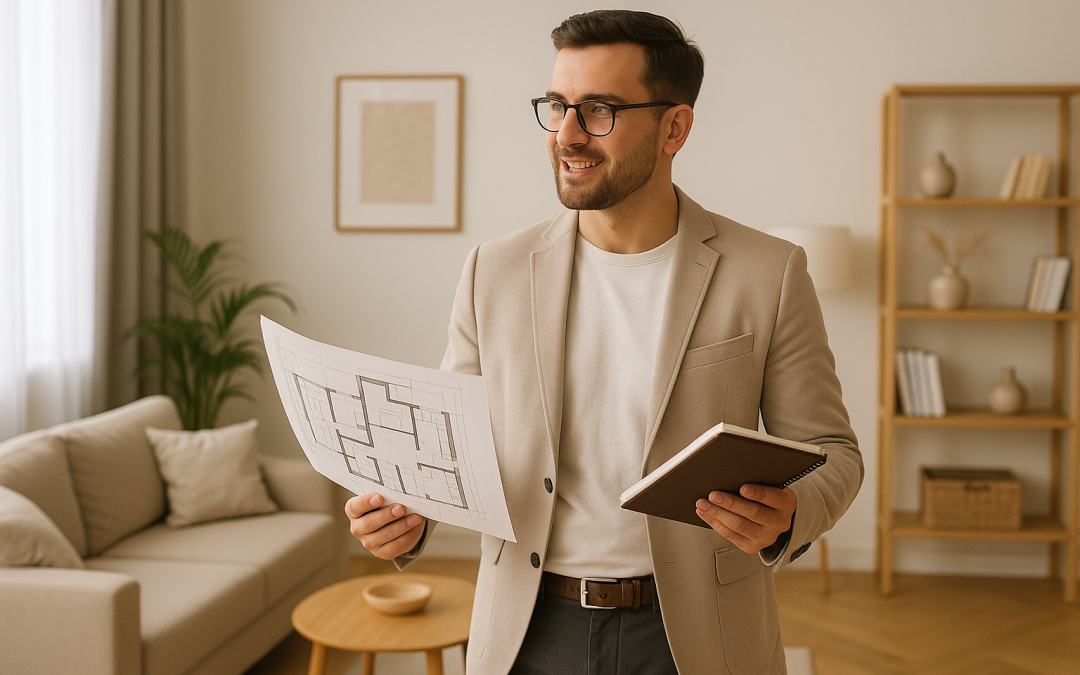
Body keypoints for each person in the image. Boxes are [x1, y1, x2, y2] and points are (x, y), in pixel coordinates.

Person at [346, 9, 862, 674]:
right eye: (557, 106)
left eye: (598, 110)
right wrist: (407, 516)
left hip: (700, 634)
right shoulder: (492, 271)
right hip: (527, 630)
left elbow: (833, 452)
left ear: (674, 128)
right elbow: (450, 450)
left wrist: (792, 512)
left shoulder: (769, 272)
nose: (567, 134)